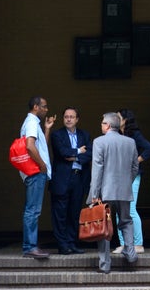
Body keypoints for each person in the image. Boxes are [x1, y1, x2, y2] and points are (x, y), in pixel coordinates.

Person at [88, 112, 139, 275]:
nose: (101, 125)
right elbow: (135, 168)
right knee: (126, 221)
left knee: (103, 226)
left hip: (105, 191)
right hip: (124, 190)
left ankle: (105, 264)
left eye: (103, 123)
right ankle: (131, 255)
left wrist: (94, 194)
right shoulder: (130, 142)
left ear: (108, 125)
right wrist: (126, 183)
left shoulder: (99, 142)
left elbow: (97, 170)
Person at [49, 106, 92, 255]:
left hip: (78, 178)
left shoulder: (84, 135)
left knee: (74, 213)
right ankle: (62, 245)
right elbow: (62, 152)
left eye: (71, 117)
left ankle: (72, 243)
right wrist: (80, 151)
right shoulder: (57, 135)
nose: (68, 119)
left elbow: (91, 154)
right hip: (61, 180)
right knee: (60, 214)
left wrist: (74, 157)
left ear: (77, 119)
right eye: (66, 117)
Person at [112, 108, 150, 255]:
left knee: (130, 209)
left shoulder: (134, 134)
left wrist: (135, 161)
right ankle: (124, 244)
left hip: (132, 175)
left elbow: (149, 149)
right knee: (119, 211)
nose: (115, 120)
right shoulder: (116, 134)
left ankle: (138, 244)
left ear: (125, 120)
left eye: (118, 118)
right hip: (118, 176)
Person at [20, 95, 55, 259]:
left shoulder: (35, 124)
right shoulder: (32, 122)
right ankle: (30, 247)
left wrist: (47, 128)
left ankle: (31, 245)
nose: (46, 110)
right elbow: (30, 146)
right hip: (35, 172)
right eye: (44, 106)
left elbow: (41, 147)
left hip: (35, 172)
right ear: (36, 107)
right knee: (32, 211)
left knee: (33, 210)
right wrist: (42, 165)